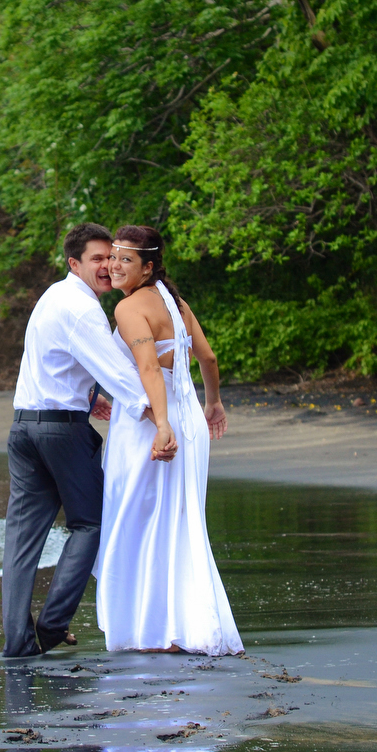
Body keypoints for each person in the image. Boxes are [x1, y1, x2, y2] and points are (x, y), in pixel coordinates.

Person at [2, 223, 175, 658]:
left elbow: (62, 362)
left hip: (24, 427)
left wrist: (91, 397)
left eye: (112, 258)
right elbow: (118, 372)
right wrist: (159, 416)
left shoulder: (51, 298)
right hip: (61, 432)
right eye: (97, 259)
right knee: (92, 523)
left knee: (22, 540)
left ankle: (18, 643)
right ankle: (53, 624)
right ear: (74, 263)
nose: (107, 267)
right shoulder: (82, 308)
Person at [93, 225, 243, 655]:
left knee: (136, 520)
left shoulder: (128, 309)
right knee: (179, 521)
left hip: (151, 425)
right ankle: (180, 626)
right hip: (189, 417)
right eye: (113, 257)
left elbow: (147, 369)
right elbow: (208, 358)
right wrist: (212, 403)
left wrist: (161, 425)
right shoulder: (175, 303)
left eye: (125, 259)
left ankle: (153, 631)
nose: (114, 266)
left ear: (150, 265)